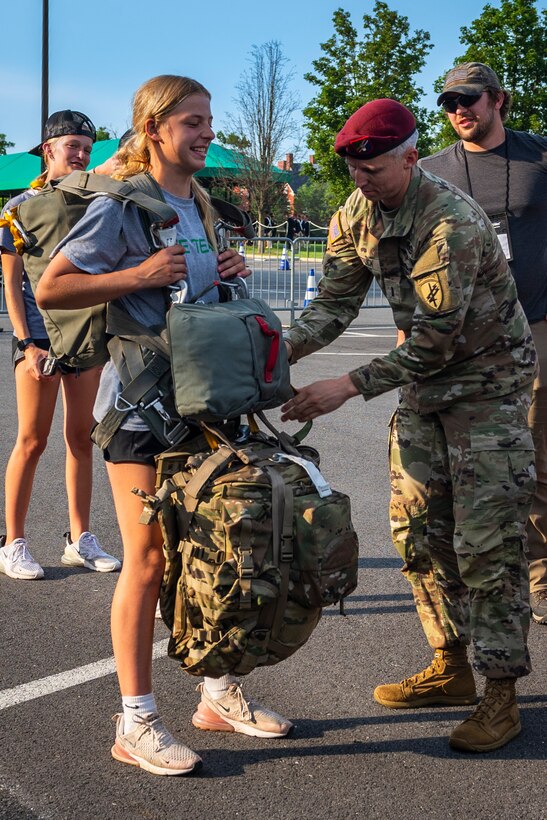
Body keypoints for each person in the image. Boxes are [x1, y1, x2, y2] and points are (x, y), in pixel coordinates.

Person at [37, 75, 293, 777]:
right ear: (153, 129)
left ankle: (215, 694)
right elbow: (54, 285)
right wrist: (140, 273)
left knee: (212, 560)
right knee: (147, 562)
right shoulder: (124, 207)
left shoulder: (201, 205)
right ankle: (136, 721)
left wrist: (228, 272)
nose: (206, 132)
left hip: (206, 409)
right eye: (192, 121)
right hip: (142, 413)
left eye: (209, 120)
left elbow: (195, 298)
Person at [281, 98, 536, 753]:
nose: (363, 179)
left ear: (409, 157)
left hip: (487, 385)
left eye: (375, 168)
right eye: (354, 169)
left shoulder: (447, 220)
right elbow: (333, 303)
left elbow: (434, 340)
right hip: (427, 389)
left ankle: (500, 696)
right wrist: (279, 352)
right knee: (418, 530)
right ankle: (449, 667)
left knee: (486, 544)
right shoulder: (354, 214)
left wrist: (345, 385)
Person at [419, 62, 547, 626]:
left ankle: (541, 577)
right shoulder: (427, 171)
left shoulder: (539, 158)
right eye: (448, 102)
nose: (458, 110)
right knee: (461, 463)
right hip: (459, 338)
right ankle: (473, 581)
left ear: (499, 99)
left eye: (469, 99)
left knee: (537, 454)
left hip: (536, 324)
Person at [0, 110, 121, 581]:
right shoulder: (19, 207)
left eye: (88, 149)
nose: (81, 154)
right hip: (40, 339)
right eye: (73, 145)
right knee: (31, 440)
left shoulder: (96, 202)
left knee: (81, 440)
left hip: (87, 337)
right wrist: (27, 343)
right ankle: (13, 542)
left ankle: (79, 539)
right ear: (47, 149)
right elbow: (11, 285)